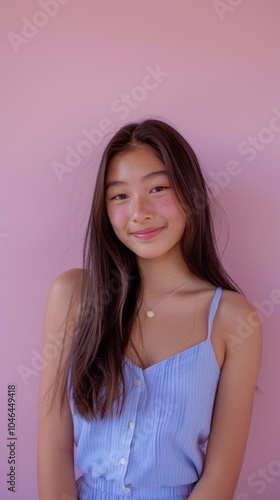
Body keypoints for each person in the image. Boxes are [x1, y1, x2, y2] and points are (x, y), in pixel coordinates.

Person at [37, 119, 262, 500]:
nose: (139, 212)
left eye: (158, 188)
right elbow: (54, 449)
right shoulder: (73, 296)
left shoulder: (234, 319)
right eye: (120, 196)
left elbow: (220, 478)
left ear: (190, 192)